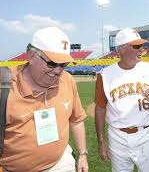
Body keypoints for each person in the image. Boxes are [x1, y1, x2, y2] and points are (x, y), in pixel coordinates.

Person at [0, 27, 89, 172]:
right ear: (31, 56)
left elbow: (76, 119)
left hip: (61, 163)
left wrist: (83, 154)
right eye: (52, 63)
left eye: (63, 65)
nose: (58, 71)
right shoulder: (4, 86)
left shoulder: (67, 80)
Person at [95, 28, 149, 172]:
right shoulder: (105, 75)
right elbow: (100, 109)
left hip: (146, 134)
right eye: (136, 46)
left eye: (142, 46)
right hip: (117, 137)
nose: (141, 50)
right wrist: (101, 142)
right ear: (121, 49)